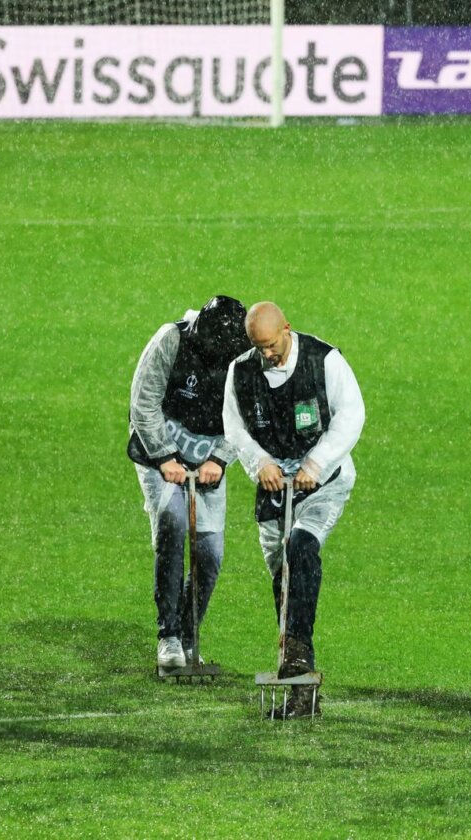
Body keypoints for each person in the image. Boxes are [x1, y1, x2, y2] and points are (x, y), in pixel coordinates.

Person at [223, 302, 365, 717]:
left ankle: (299, 661)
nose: (266, 354)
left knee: (301, 549)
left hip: (323, 484)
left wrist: (316, 464)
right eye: (258, 347)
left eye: (271, 345)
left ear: (287, 329)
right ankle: (300, 677)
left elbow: (352, 415)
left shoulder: (325, 360)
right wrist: (259, 463)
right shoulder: (242, 371)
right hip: (273, 488)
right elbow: (234, 427)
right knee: (284, 581)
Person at [128, 296, 250, 670]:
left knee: (209, 555)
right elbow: (143, 402)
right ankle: (168, 638)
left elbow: (247, 416)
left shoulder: (246, 359)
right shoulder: (172, 339)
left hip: (208, 457)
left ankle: (188, 635)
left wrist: (220, 457)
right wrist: (165, 456)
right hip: (158, 452)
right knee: (173, 524)